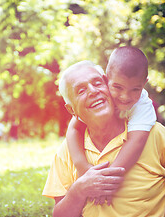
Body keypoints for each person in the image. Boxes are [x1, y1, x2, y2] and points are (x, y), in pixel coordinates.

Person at [42, 60, 165, 217]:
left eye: (98, 83)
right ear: (71, 109)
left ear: (111, 89)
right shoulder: (68, 151)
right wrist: (79, 189)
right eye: (81, 90)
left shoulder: (153, 134)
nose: (93, 90)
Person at [66, 47, 156, 205]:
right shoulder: (103, 95)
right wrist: (82, 167)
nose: (125, 97)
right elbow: (74, 128)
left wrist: (106, 181)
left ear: (144, 84)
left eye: (135, 89)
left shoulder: (142, 106)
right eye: (118, 88)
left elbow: (136, 143)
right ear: (106, 79)